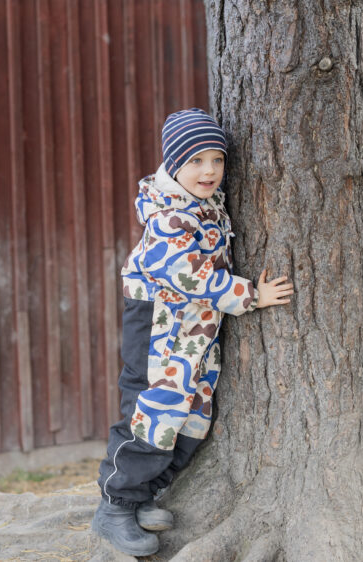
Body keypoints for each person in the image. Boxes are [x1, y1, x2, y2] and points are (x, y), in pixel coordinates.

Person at [93, 108, 294, 556]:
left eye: (217, 160)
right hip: (159, 326)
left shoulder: (206, 205)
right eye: (196, 160)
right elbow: (190, 274)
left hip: (195, 331)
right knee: (153, 411)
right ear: (173, 164)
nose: (209, 171)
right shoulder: (167, 217)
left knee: (194, 416)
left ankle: (145, 494)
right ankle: (115, 505)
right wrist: (250, 295)